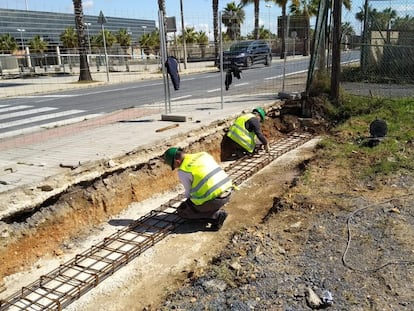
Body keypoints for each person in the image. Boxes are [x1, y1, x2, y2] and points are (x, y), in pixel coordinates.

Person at [163, 147, 234, 230]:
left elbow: (188, 193)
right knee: (195, 204)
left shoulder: (183, 171)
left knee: (183, 212)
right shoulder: (203, 154)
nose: (176, 168)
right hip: (228, 191)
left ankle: (216, 216)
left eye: (174, 166)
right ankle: (211, 208)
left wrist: (187, 205)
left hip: (216, 199)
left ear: (177, 161)